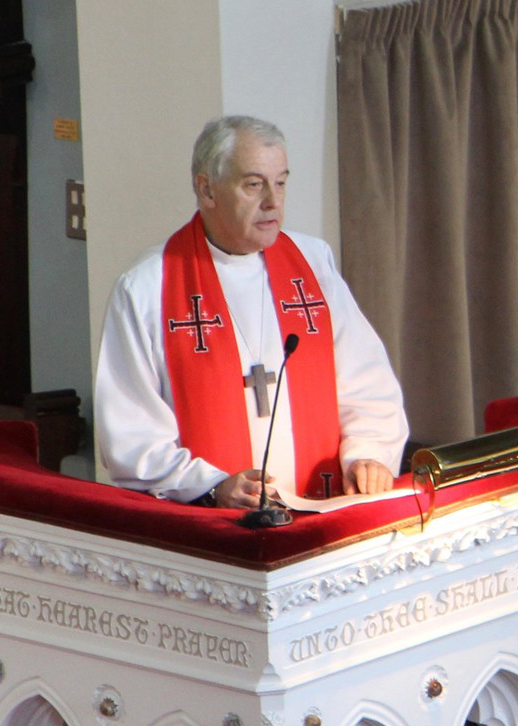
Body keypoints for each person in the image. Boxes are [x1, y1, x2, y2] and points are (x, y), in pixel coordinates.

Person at [95, 115, 409, 508]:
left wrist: (367, 454)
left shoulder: (312, 263)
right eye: (254, 184)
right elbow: (130, 433)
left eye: (280, 183)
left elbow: (367, 384)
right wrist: (214, 485)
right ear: (207, 190)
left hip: (319, 515)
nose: (272, 202)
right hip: (210, 534)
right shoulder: (147, 287)